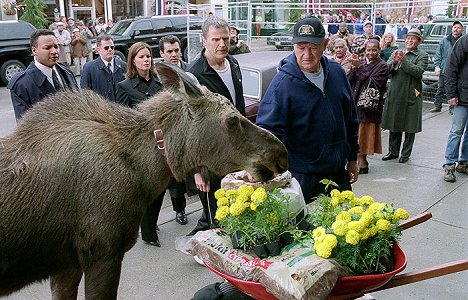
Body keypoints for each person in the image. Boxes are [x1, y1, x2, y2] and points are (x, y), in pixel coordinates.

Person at [256, 17, 359, 203]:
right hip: (303, 178)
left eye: (312, 47)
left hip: (338, 174)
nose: (306, 54)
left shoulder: (337, 73)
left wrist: (352, 158)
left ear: (324, 45)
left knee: (347, 226)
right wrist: (272, 174)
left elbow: (351, 119)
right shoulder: (282, 85)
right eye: (300, 48)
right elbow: (267, 134)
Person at [187, 15, 246, 235]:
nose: (222, 44)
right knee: (215, 212)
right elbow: (190, 126)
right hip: (210, 157)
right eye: (215, 40)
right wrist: (197, 170)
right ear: (204, 40)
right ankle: (207, 249)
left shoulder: (234, 63)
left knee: (234, 203)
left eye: (226, 39)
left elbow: (238, 108)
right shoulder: (194, 75)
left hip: (235, 150)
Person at [115, 42, 164, 246]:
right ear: (133, 61)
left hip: (160, 145)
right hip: (139, 148)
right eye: (141, 57)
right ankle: (148, 233)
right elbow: (120, 121)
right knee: (145, 191)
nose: (146, 60)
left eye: (148, 56)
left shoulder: (159, 83)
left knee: (160, 190)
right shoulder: (124, 87)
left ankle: (150, 224)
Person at [7, 29, 78, 120]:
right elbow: (24, 127)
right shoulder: (21, 84)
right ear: (34, 51)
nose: (54, 51)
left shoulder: (67, 73)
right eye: (47, 48)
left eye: (56, 47)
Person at [381, 28, 428, 163]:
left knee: (409, 125)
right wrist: (395, 62)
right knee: (394, 123)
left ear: (418, 41)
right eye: (408, 38)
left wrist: (404, 61)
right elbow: (386, 71)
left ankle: (405, 154)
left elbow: (418, 72)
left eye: (413, 38)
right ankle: (393, 152)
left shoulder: (422, 55)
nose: (409, 40)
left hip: (411, 94)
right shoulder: (397, 52)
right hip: (395, 93)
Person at [158, 34, 190, 225]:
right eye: (169, 51)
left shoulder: (189, 70)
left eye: (176, 50)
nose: (174, 54)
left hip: (191, 130)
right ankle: (180, 210)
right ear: (162, 53)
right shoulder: (159, 75)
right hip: (170, 135)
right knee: (175, 179)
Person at [348, 39, 388, 174]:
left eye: (374, 50)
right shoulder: (363, 63)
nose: (371, 53)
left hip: (369, 106)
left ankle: (362, 162)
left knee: (363, 135)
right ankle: (359, 161)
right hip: (355, 103)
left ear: (379, 51)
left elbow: (373, 83)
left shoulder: (382, 66)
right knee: (356, 134)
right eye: (368, 50)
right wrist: (353, 68)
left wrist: (360, 67)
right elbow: (350, 81)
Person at [442, 33, 468, 182]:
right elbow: (451, 68)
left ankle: (464, 162)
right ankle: (449, 165)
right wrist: (451, 94)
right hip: (462, 97)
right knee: (456, 132)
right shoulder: (464, 41)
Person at [80, 35, 127, 102]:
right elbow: (85, 92)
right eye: (106, 48)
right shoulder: (89, 68)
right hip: (99, 110)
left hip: (121, 109)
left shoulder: (123, 66)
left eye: (112, 47)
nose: (110, 49)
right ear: (98, 49)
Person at [430, 21, 464, 113]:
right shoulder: (445, 40)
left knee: (454, 89)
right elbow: (438, 53)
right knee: (440, 88)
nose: (456, 29)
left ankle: (452, 108)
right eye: (454, 27)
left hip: (458, 70)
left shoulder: (463, 41)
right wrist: (437, 65)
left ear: (462, 30)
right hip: (444, 69)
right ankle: (437, 106)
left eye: (458, 27)